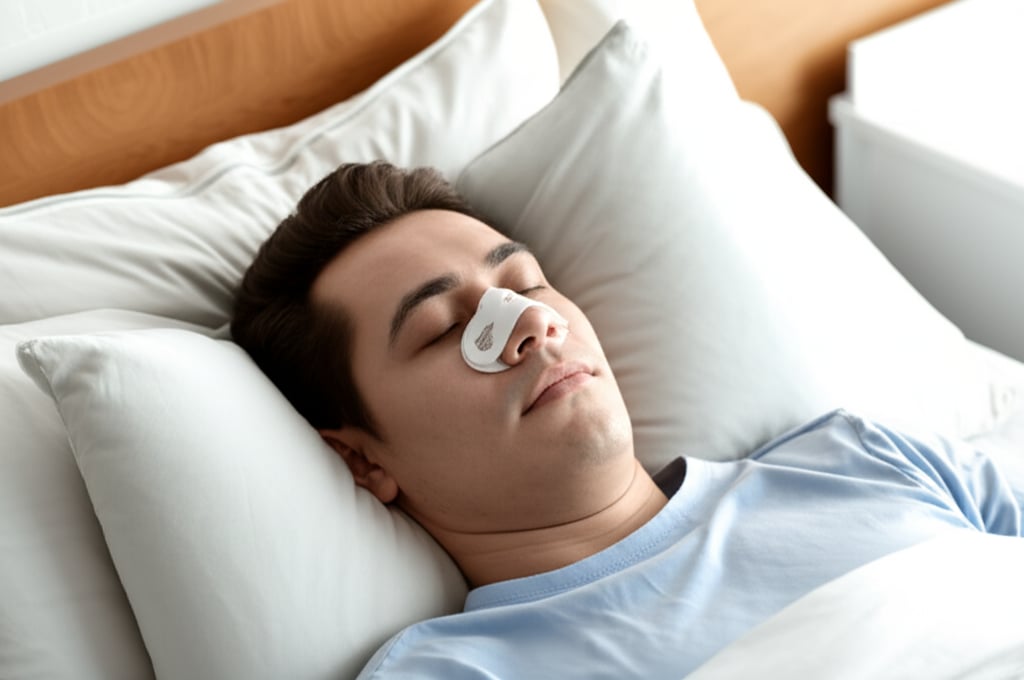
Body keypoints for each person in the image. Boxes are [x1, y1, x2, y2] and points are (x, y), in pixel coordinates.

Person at [231, 161, 1023, 678]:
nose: (529, 327)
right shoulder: (460, 671)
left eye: (527, 283)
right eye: (445, 329)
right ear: (362, 460)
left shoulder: (857, 457)